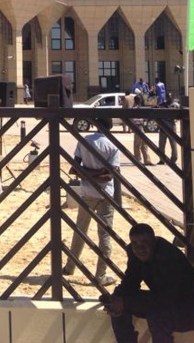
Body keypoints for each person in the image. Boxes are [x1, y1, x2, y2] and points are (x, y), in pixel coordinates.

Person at [100, 222, 194, 343]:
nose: (139, 248)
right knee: (119, 305)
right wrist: (114, 298)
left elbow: (168, 297)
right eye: (135, 243)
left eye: (144, 242)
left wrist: (126, 302)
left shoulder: (169, 257)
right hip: (162, 301)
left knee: (156, 315)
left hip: (187, 308)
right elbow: (130, 281)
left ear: (153, 241)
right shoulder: (134, 253)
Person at [63, 119, 121, 286]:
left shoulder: (85, 140)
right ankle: (100, 275)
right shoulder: (112, 145)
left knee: (80, 230)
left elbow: (74, 167)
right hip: (105, 194)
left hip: (87, 192)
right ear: (111, 128)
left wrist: (86, 173)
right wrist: (97, 173)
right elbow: (109, 175)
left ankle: (69, 266)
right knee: (104, 235)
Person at [127, 93, 152, 165]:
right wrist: (142, 120)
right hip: (137, 127)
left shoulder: (140, 108)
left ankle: (147, 160)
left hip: (141, 126)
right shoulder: (134, 109)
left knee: (144, 144)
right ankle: (138, 160)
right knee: (137, 144)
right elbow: (133, 119)